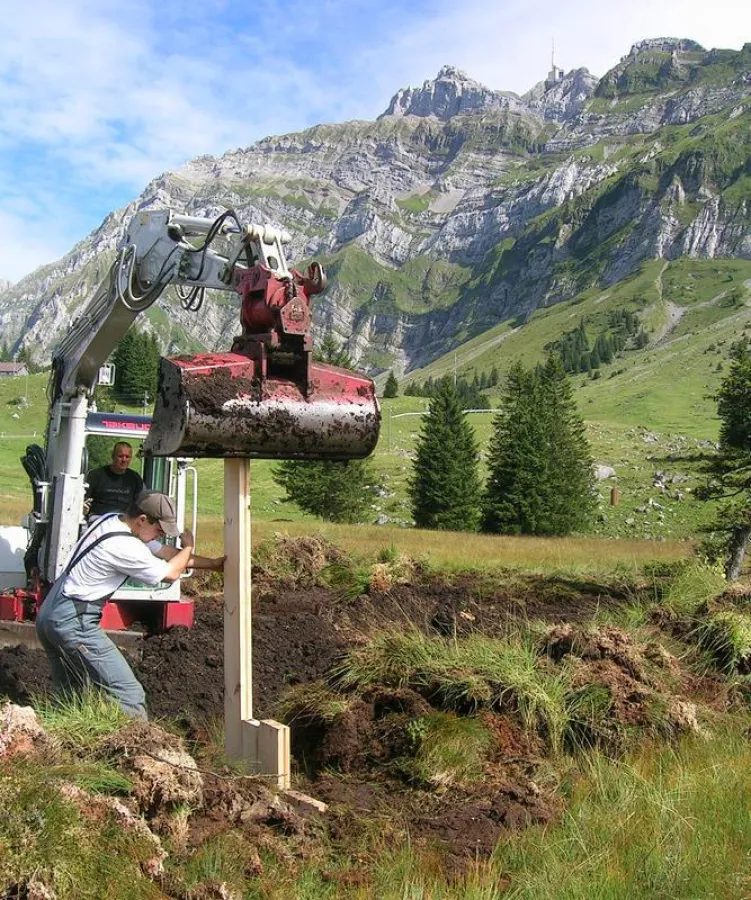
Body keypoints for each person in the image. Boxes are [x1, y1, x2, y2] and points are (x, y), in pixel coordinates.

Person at [35, 491, 225, 719]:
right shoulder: (124, 547)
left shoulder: (111, 520)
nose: (160, 537)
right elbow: (171, 573)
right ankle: (134, 749)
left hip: (50, 613)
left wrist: (213, 564)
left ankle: (59, 747)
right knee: (128, 694)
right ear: (142, 520)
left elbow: (166, 554)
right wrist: (188, 547)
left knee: (71, 694)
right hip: (74, 622)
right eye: (159, 531)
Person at [85, 442, 144, 518]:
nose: (124, 460)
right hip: (98, 518)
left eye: (127, 457)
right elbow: (84, 499)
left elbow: (141, 503)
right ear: (113, 456)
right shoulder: (95, 475)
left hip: (124, 520)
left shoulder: (135, 478)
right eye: (120, 456)